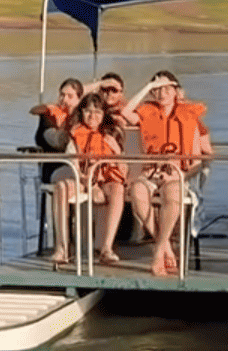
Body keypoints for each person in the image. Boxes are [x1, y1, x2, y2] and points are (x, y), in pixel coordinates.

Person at [124, 70, 205, 276]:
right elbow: (125, 112)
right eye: (157, 90)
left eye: (167, 89)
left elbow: (196, 161)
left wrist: (180, 176)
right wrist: (147, 87)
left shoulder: (189, 117)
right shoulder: (146, 112)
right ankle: (166, 246)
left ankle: (158, 251)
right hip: (151, 172)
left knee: (173, 195)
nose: (162, 94)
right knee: (137, 192)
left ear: (176, 91)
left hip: (177, 173)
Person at [50, 92, 126, 266]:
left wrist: (117, 153)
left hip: (106, 180)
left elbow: (123, 170)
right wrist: (90, 185)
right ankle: (62, 248)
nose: (93, 116)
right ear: (81, 112)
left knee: (117, 189)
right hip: (82, 179)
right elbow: (74, 166)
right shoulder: (74, 135)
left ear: (103, 115)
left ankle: (106, 248)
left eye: (98, 112)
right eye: (88, 111)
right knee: (61, 187)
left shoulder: (113, 135)